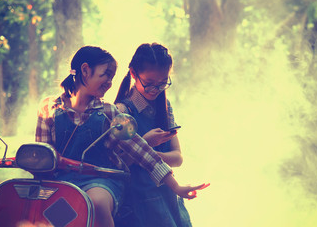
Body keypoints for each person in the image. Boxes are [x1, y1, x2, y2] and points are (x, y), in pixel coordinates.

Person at [35, 46, 206, 227]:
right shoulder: (48, 108)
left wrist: (176, 187)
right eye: (106, 75)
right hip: (62, 181)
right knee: (51, 214)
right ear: (85, 70)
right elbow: (42, 156)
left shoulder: (109, 111)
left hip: (99, 181)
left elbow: (144, 153)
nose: (110, 82)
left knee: (97, 204)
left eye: (112, 77)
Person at [114, 43, 203, 227]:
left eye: (163, 83)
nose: (155, 89)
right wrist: (146, 143)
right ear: (133, 73)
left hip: (168, 193)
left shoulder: (164, 106)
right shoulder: (122, 112)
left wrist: (152, 155)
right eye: (149, 84)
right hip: (139, 199)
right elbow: (116, 164)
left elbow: (178, 158)